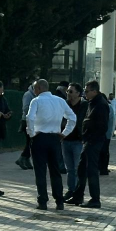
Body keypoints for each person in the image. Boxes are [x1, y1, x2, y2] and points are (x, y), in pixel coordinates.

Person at [27, 79, 76, 210]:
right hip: (55, 138)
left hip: (39, 137)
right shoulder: (60, 101)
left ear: (38, 89)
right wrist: (64, 133)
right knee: (55, 171)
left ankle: (42, 201)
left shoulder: (36, 101)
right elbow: (72, 118)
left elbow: (30, 118)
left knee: (40, 171)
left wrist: (31, 133)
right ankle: (59, 201)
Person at [66, 80, 109, 209]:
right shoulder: (92, 103)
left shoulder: (101, 104)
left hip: (93, 142)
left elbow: (102, 126)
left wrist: (90, 138)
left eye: (87, 90)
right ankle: (78, 196)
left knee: (91, 171)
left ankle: (95, 199)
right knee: (81, 169)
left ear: (95, 91)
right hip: (88, 141)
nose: (85, 93)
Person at [62, 83, 87, 200]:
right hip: (66, 139)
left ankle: (78, 193)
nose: (68, 94)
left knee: (78, 168)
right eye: (67, 91)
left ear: (78, 93)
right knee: (69, 169)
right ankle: (71, 190)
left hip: (78, 140)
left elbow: (82, 121)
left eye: (71, 91)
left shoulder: (84, 105)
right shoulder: (65, 105)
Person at [16, 83, 36, 170]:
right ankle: (22, 158)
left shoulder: (35, 95)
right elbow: (25, 107)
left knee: (30, 142)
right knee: (31, 142)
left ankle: (26, 160)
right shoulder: (28, 95)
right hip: (27, 120)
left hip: (34, 121)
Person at [98, 93, 116, 175]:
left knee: (103, 151)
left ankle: (103, 168)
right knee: (104, 151)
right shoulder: (108, 106)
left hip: (105, 133)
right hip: (107, 133)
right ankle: (103, 167)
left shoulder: (106, 107)